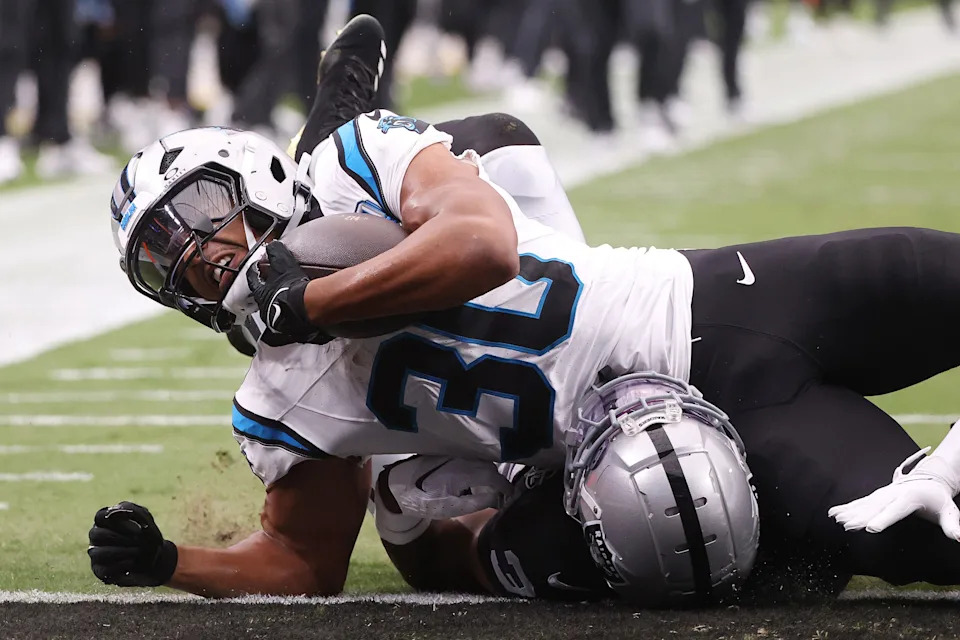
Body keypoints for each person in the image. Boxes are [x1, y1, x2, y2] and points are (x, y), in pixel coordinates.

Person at [91, 16, 960, 606]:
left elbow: (483, 247)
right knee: (915, 540)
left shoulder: (356, 163)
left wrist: (314, 297)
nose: (197, 256)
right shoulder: (277, 399)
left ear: (256, 176)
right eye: (166, 263)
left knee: (502, 145)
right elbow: (302, 562)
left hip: (717, 306)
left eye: (201, 215)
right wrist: (174, 564)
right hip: (639, 454)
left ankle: (316, 132)